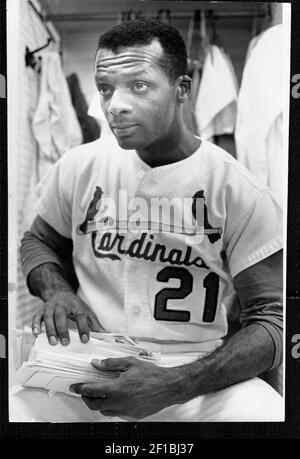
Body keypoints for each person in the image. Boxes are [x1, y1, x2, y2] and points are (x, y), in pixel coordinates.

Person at [18, 18, 283, 422]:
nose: (115, 105)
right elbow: (38, 241)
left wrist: (176, 383)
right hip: (90, 362)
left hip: (196, 374)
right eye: (106, 88)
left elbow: (273, 323)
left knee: (268, 416)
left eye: (138, 85)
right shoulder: (79, 165)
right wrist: (57, 291)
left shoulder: (238, 189)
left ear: (182, 89)